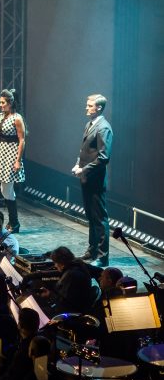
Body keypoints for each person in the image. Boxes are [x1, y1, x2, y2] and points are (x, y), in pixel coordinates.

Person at [72, 94, 113, 267]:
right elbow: (85, 150)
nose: (86, 108)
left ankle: (103, 256)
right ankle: (92, 250)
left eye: (90, 105)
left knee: (99, 217)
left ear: (99, 108)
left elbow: (103, 157)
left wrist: (84, 169)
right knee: (90, 215)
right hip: (86, 178)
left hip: (95, 180)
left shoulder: (104, 128)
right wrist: (77, 164)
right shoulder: (90, 124)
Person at [0, 88, 26, 233]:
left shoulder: (17, 118)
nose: (1, 105)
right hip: (1, 152)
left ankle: (14, 223)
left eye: (3, 103)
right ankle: (13, 222)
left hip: (11, 153)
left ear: (10, 103)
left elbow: (22, 140)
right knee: (5, 190)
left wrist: (17, 160)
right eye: (0, 102)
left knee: (7, 190)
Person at [39, 246, 94, 314]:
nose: (55, 266)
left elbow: (64, 302)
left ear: (61, 263)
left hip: (72, 312)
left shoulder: (70, 275)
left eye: (55, 263)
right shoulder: (79, 265)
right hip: (80, 306)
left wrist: (49, 295)